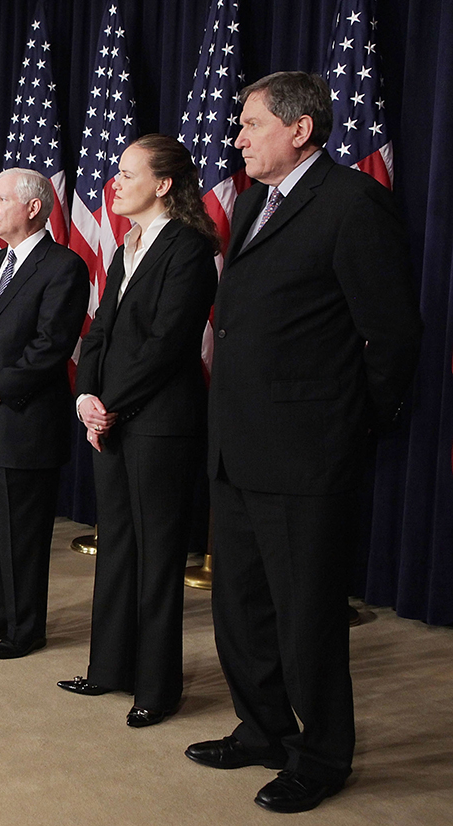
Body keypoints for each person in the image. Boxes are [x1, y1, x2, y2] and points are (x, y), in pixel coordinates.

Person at [187, 72, 421, 813]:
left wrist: (353, 425)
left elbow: (391, 335)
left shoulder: (353, 204)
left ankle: (321, 755)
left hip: (307, 452)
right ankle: (261, 728)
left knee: (306, 614)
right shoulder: (255, 202)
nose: (237, 138)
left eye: (251, 124)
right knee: (242, 606)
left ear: (299, 130)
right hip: (237, 445)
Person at [56, 135, 218, 727]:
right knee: (117, 548)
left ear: (165, 183)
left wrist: (111, 404)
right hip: (113, 418)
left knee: (156, 557)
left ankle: (158, 685)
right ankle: (109, 669)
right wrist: (85, 396)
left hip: (160, 425)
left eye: (127, 173)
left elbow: (169, 343)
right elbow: (99, 332)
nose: (114, 182)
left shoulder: (190, 247)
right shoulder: (128, 243)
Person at [0, 167, 88, 659]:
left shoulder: (62, 266)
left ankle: (25, 629)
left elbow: (52, 346)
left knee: (22, 536)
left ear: (32, 207)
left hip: (21, 423)